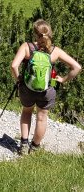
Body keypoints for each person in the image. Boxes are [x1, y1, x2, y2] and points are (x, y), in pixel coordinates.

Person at [10, 19, 81, 155]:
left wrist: (19, 78)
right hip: (47, 90)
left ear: (35, 34)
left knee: (26, 112)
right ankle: (35, 147)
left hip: (27, 88)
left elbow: (14, 65)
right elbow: (77, 67)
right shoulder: (55, 51)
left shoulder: (27, 47)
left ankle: (23, 145)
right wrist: (64, 79)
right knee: (42, 117)